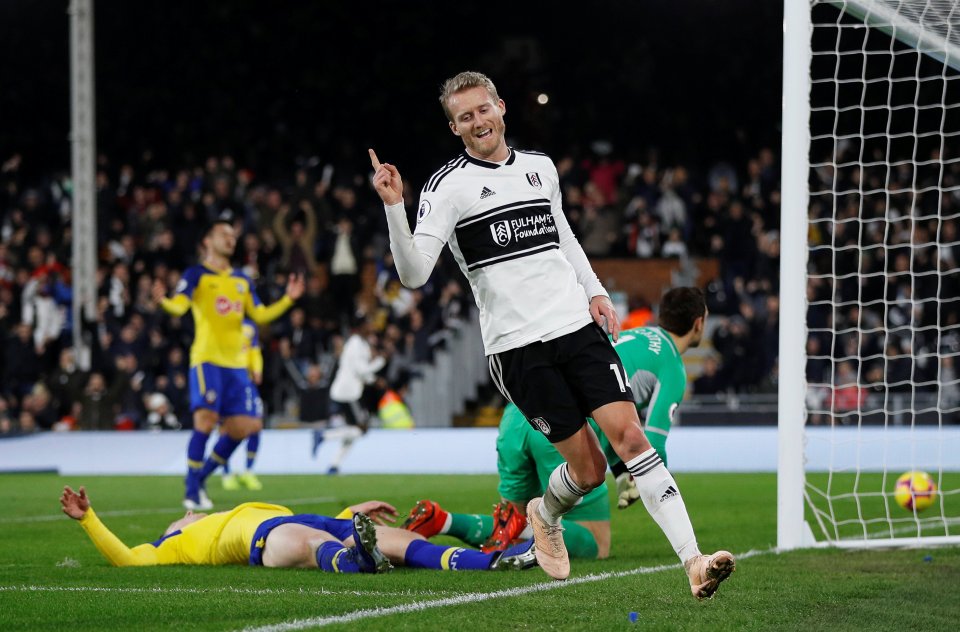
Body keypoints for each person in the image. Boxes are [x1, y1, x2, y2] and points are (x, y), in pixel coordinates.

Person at [369, 71, 733, 598]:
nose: (477, 122)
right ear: (454, 128)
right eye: (464, 117)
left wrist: (596, 290)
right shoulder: (447, 187)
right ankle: (544, 511)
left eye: (482, 109)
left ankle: (694, 561)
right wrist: (393, 207)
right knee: (585, 471)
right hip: (517, 347)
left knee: (628, 438)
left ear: (501, 107)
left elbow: (564, 235)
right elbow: (413, 273)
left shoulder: (539, 169)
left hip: (576, 327)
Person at [401, 287, 709, 561]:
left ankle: (441, 520)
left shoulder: (636, 333)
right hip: (566, 428)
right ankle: (488, 527)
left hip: (519, 413)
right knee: (595, 541)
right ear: (699, 324)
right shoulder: (672, 365)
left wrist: (619, 470)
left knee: (510, 520)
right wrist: (647, 483)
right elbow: (650, 445)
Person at [154, 219, 304, 510]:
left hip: (237, 365)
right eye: (223, 234)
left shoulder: (242, 280)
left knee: (243, 427)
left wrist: (288, 299)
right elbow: (180, 306)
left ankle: (201, 478)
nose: (230, 239)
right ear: (207, 241)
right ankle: (190, 488)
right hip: (207, 359)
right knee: (206, 422)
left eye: (232, 235)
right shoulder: (196, 274)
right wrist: (163, 301)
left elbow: (259, 315)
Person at [59, 486, 535, 573]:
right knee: (310, 544)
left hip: (298, 520)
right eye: (181, 518)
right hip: (268, 537)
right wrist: (90, 521)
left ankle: (492, 559)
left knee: (403, 540)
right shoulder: (177, 547)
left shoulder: (222, 514)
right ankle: (356, 562)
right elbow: (127, 557)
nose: (187, 516)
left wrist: (354, 509)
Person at [315, 316, 385, 475]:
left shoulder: (362, 344)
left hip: (351, 391)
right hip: (349, 392)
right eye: (368, 324)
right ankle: (324, 435)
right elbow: (361, 370)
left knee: (354, 431)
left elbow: (362, 372)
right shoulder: (355, 344)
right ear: (360, 327)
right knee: (362, 429)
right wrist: (380, 362)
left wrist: (375, 380)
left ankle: (334, 465)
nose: (371, 327)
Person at [221, 318, 265, 491]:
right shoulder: (220, 320)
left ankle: (248, 471)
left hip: (246, 382)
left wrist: (257, 369)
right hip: (226, 381)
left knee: (256, 425)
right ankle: (226, 473)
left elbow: (254, 350)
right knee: (226, 428)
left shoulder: (250, 324)